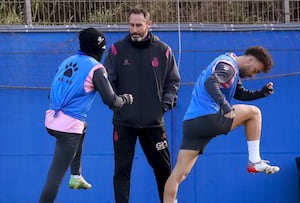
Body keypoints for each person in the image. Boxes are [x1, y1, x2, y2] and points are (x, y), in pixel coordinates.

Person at [163, 46, 280, 203]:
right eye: (256, 70)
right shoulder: (228, 66)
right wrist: (225, 105)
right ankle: (254, 160)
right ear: (250, 59)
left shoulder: (229, 65)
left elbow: (239, 93)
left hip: (192, 123)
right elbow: (211, 83)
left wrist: (261, 92)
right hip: (209, 118)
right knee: (254, 113)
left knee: (179, 175)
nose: (253, 75)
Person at [39, 27, 133, 203]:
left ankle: (76, 175)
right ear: (100, 50)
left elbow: (51, 94)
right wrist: (126, 99)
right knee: (55, 178)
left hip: (51, 119)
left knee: (83, 127)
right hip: (68, 128)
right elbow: (111, 101)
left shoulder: (68, 61)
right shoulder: (96, 68)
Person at [103, 7, 181, 203]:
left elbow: (173, 82)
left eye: (139, 25)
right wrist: (116, 103)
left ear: (149, 24)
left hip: (153, 123)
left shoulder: (163, 50)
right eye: (131, 25)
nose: (135, 29)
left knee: (163, 169)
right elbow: (107, 81)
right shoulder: (116, 50)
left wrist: (164, 105)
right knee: (122, 170)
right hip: (124, 122)